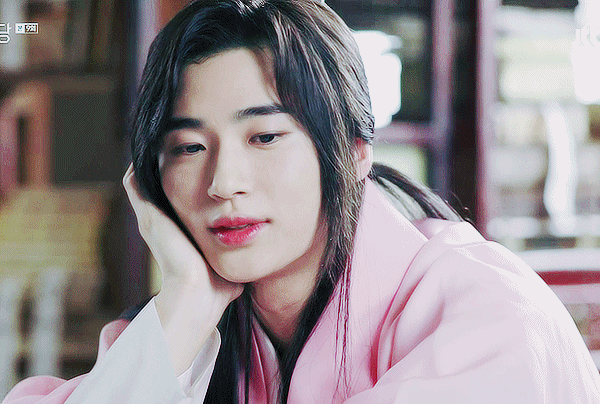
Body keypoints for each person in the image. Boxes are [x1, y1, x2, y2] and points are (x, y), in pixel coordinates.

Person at [4, 1, 600, 403]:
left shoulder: (489, 317)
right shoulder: (189, 329)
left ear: (354, 151)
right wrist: (185, 304)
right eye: (187, 147)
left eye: (264, 137)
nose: (223, 182)